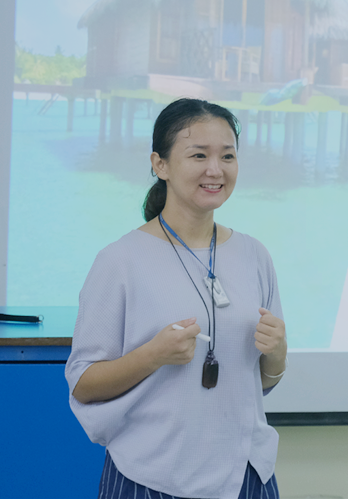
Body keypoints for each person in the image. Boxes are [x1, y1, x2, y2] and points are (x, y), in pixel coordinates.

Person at [65, 98, 287, 499]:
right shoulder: (120, 261)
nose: (215, 169)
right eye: (198, 155)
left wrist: (277, 355)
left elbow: (262, 381)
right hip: (153, 476)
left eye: (228, 156)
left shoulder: (254, 255)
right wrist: (152, 355)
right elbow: (83, 384)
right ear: (160, 164)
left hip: (246, 475)